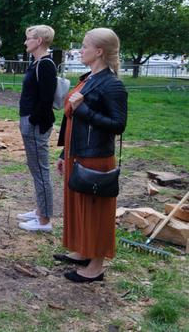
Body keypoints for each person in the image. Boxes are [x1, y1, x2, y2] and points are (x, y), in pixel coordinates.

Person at [55, 28, 127, 283]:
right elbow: (72, 121)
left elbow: (118, 125)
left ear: (99, 51)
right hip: (79, 153)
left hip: (96, 157)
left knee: (96, 212)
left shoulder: (112, 84)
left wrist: (83, 109)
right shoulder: (89, 78)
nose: (79, 50)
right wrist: (66, 152)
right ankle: (83, 250)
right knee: (79, 207)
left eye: (84, 46)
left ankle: (96, 266)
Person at [17, 25, 57, 232]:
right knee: (36, 169)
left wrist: (32, 120)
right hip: (30, 121)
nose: (25, 42)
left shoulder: (46, 65)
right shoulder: (38, 63)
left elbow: (46, 98)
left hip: (35, 124)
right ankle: (40, 210)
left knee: (41, 171)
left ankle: (45, 220)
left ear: (39, 40)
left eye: (29, 38)